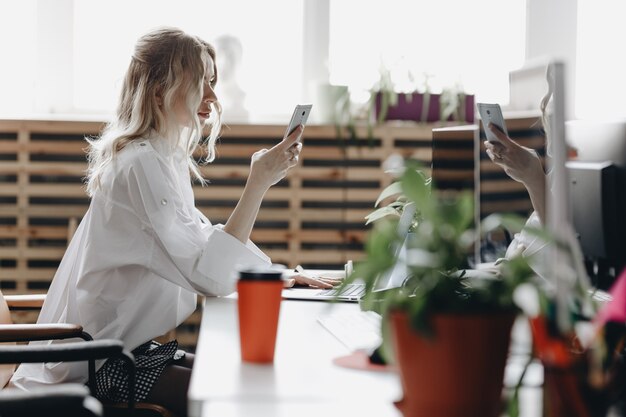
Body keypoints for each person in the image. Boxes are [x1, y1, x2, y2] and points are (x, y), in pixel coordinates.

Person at [9, 27, 336, 416]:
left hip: (126, 350)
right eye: (201, 82)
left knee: (234, 383)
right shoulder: (142, 163)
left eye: (212, 82)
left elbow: (200, 242)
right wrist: (258, 182)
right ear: (160, 89)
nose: (213, 98)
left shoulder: (160, 157)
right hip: (100, 365)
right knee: (232, 396)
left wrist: (276, 274)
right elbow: (208, 275)